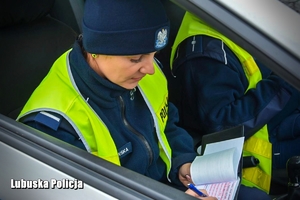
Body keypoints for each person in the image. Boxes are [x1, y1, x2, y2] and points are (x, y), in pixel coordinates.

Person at [16, 0, 217, 199]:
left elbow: (166, 121)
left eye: (154, 53)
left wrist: (183, 160)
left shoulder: (143, 75)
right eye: (135, 59)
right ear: (96, 50)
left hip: (170, 185)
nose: (150, 69)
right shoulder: (54, 127)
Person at [169, 10, 300, 196]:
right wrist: (286, 81)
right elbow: (224, 124)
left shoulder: (233, 17)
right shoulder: (207, 57)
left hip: (272, 122)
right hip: (250, 149)